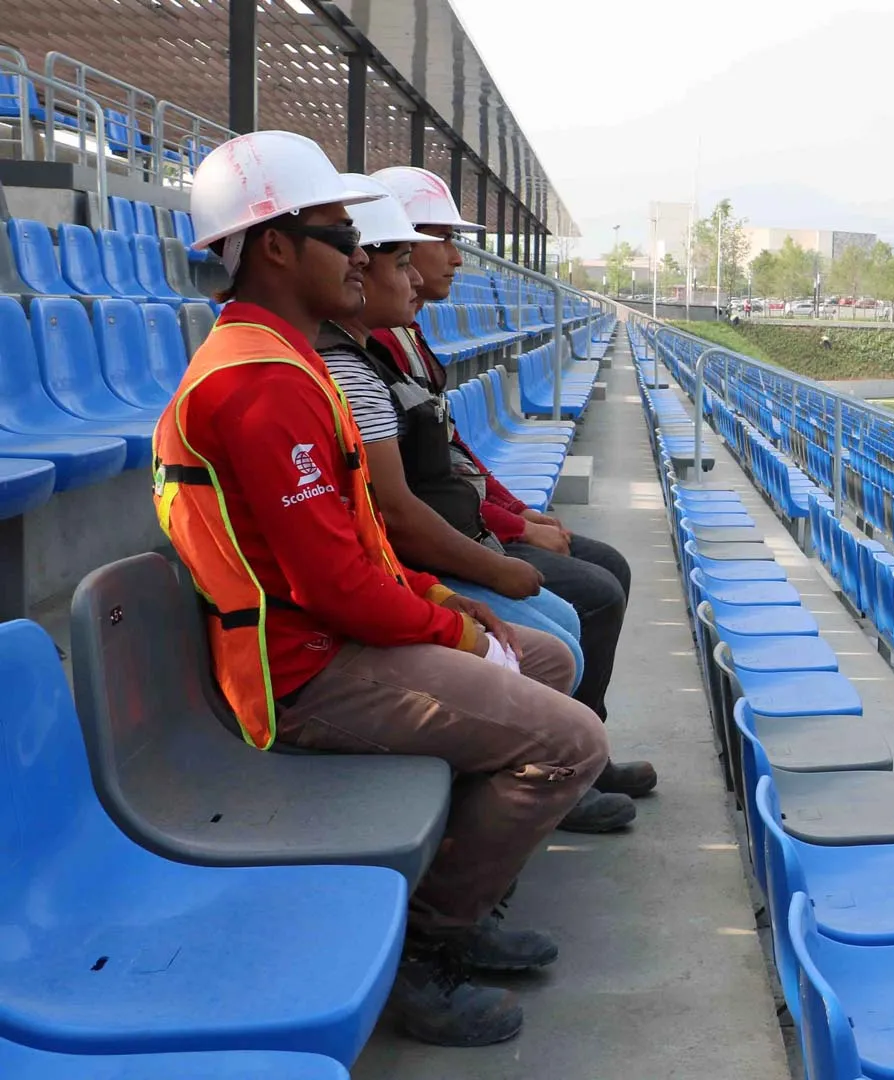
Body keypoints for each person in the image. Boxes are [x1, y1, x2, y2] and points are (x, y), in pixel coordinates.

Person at [157, 131, 605, 1046]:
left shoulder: (286, 362)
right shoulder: (257, 384)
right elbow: (336, 589)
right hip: (303, 672)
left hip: (333, 638)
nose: (360, 254)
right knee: (570, 742)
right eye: (338, 234)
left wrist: (449, 608)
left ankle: (456, 900)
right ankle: (424, 952)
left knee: (548, 657)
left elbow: (356, 545)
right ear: (274, 246)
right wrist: (458, 634)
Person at [315, 175, 640, 834]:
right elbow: (396, 512)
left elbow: (454, 456)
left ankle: (575, 757)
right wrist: (488, 570)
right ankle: (558, 770)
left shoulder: (398, 340)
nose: (454, 259)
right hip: (419, 566)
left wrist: (519, 518)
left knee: (597, 583)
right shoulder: (343, 361)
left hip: (443, 548)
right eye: (425, 247)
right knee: (585, 603)